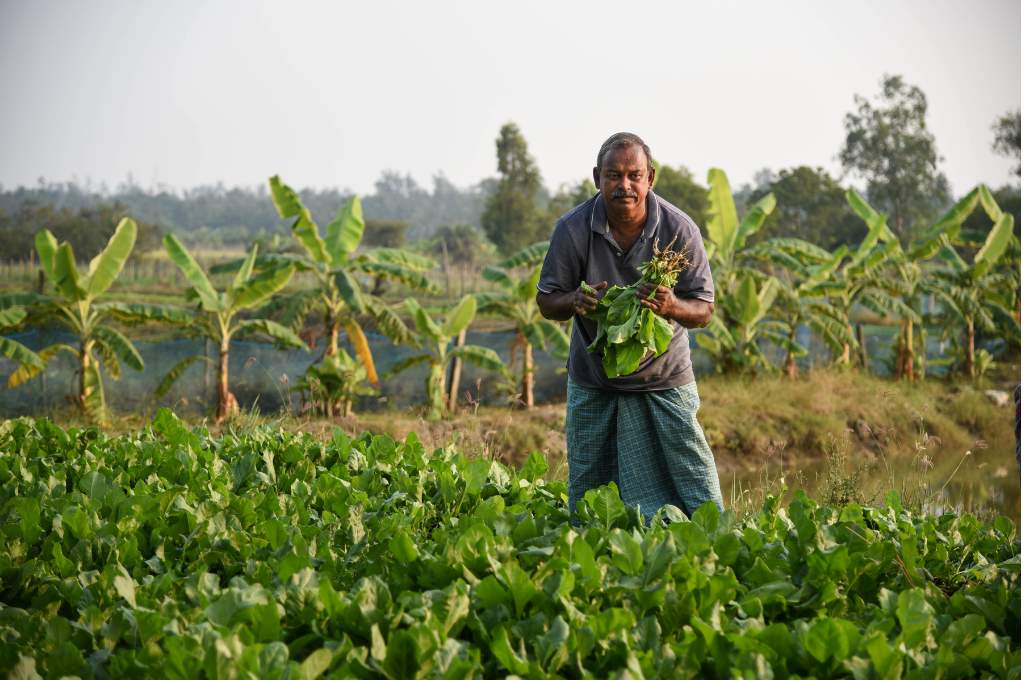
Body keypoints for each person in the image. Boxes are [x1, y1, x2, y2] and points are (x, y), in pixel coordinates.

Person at [536, 131, 723, 521]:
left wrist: (671, 305)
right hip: (594, 382)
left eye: (634, 176)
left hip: (665, 378)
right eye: (613, 175)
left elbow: (704, 310)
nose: (624, 186)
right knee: (590, 491)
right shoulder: (572, 229)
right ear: (596, 178)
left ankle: (711, 548)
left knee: (694, 483)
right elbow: (546, 300)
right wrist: (574, 301)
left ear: (650, 178)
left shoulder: (678, 229)